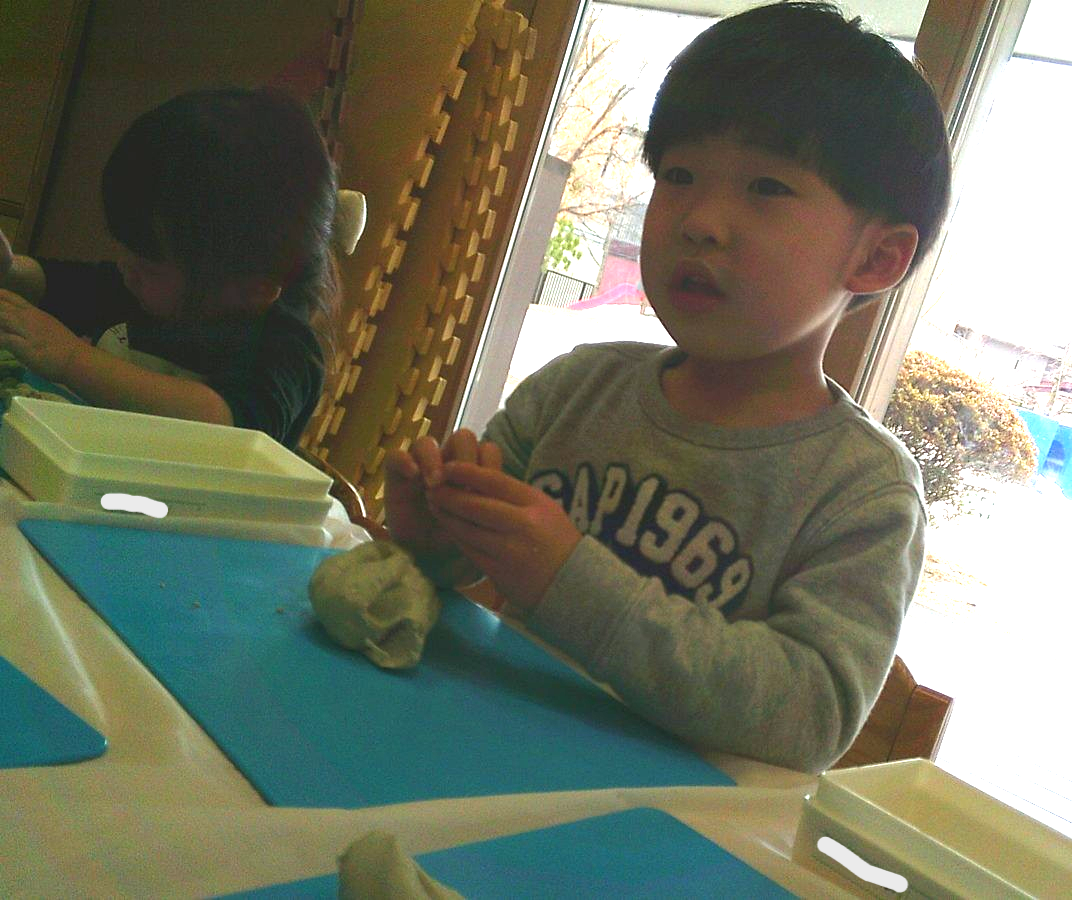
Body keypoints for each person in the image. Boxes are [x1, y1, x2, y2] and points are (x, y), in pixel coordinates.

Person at [383, 0, 952, 772]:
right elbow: (469, 571)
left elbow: (809, 714)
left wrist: (568, 578)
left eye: (766, 187)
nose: (700, 220)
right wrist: (438, 534)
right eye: (679, 176)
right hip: (475, 757)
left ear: (877, 259)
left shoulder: (861, 491)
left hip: (661, 823)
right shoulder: (575, 390)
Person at [0, 87, 339, 449]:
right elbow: (74, 286)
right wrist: (11, 269)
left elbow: (225, 424)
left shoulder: (286, 351)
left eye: (148, 266)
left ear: (252, 290)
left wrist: (70, 358)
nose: (126, 269)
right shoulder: (149, 293)